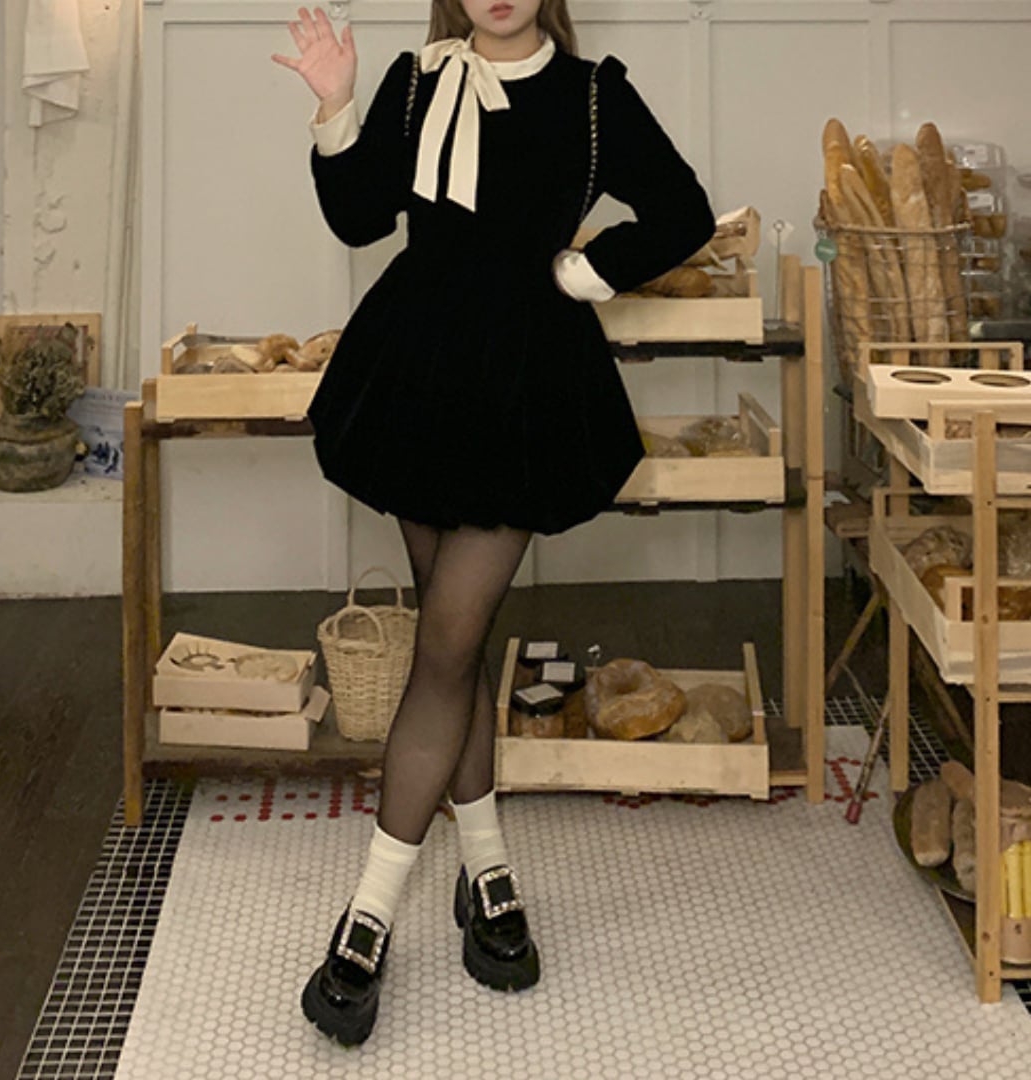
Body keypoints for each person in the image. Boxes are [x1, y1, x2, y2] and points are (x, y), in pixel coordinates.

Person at [272, 0, 714, 1046]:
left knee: (445, 646)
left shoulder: (593, 95)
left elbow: (683, 210)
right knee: (453, 647)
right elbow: (360, 218)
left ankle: (369, 913)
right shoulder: (418, 79)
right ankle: (489, 872)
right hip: (417, 375)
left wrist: (584, 271)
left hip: (522, 389)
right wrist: (336, 106)